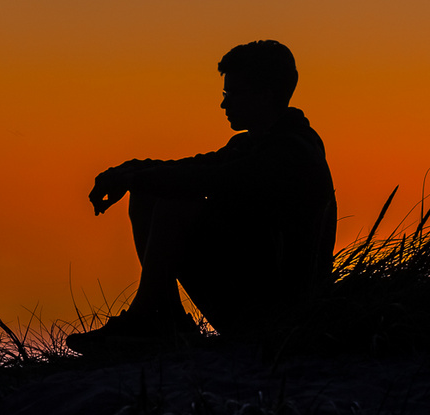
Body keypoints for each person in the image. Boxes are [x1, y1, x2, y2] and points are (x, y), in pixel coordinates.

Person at [67, 40, 336, 353]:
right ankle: (162, 319)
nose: (224, 104)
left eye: (233, 94)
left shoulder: (291, 154)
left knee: (173, 205)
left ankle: (149, 317)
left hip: (280, 315)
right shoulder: (253, 144)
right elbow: (200, 165)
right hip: (250, 291)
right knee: (148, 193)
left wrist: (133, 176)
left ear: (266, 95)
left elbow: (207, 179)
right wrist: (128, 173)